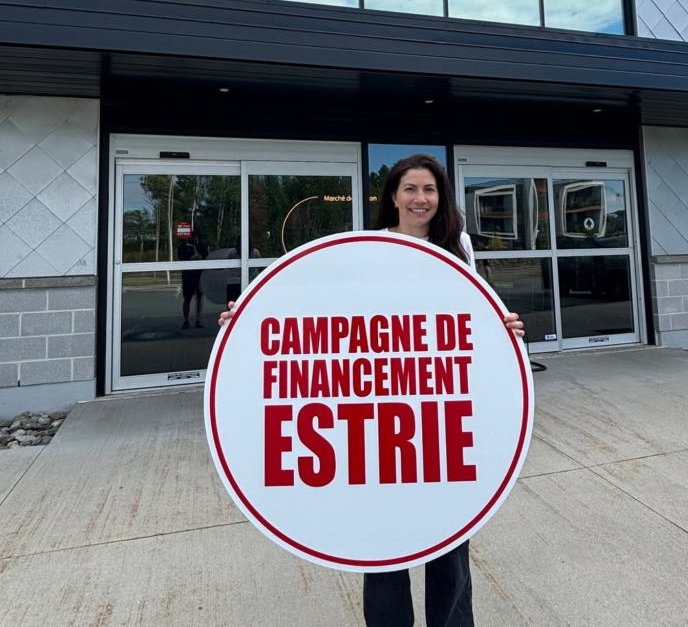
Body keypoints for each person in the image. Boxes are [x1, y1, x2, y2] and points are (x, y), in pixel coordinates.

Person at [220, 153, 524, 627]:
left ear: (441, 197)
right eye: (410, 189)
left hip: (438, 416)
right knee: (384, 552)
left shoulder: (458, 245)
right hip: (385, 419)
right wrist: (248, 319)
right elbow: (319, 304)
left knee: (450, 547)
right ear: (393, 197)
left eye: (429, 189)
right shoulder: (370, 247)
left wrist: (503, 328)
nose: (420, 199)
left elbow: (470, 317)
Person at [179, 232, 208, 329]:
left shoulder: (201, 246)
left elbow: (206, 257)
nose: (195, 238)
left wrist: (201, 258)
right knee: (187, 298)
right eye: (193, 236)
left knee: (199, 297)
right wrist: (191, 258)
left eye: (197, 236)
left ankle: (198, 319)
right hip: (188, 276)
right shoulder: (183, 246)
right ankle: (186, 320)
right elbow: (181, 257)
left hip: (199, 276)